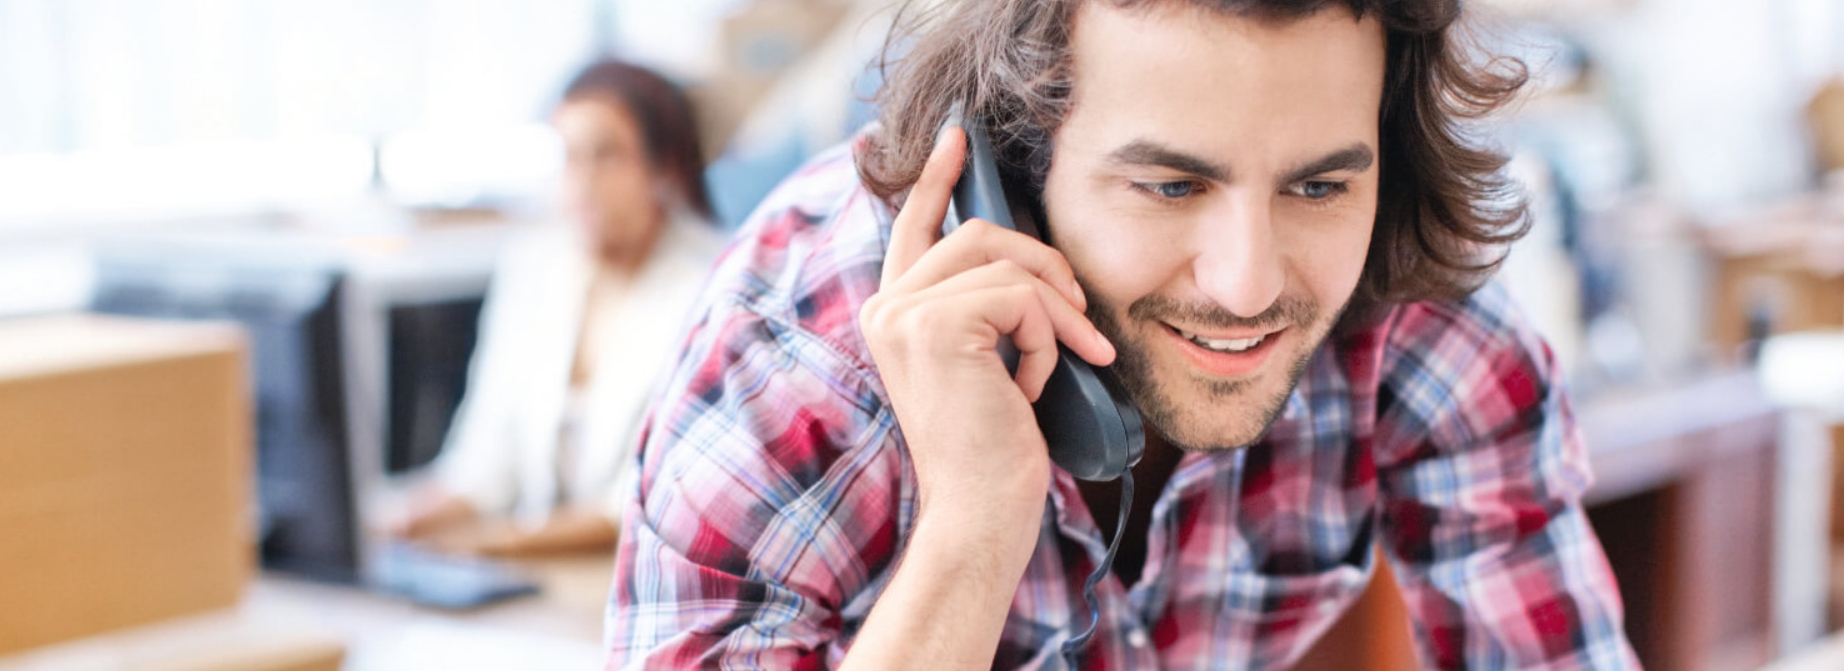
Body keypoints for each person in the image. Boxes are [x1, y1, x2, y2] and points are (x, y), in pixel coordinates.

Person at [606, 0, 1640, 668]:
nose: (1246, 284)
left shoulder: (1419, 318)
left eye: (1319, 183)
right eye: (1168, 183)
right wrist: (972, 526)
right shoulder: (796, 348)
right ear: (1007, 164)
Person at [387, 59, 725, 557]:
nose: (582, 184)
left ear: (664, 167)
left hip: (640, 576)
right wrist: (396, 521)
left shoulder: (713, 289)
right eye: (569, 158)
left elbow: (643, 505)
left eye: (606, 156)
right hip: (537, 572)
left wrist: (492, 543)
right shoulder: (536, 271)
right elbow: (484, 465)